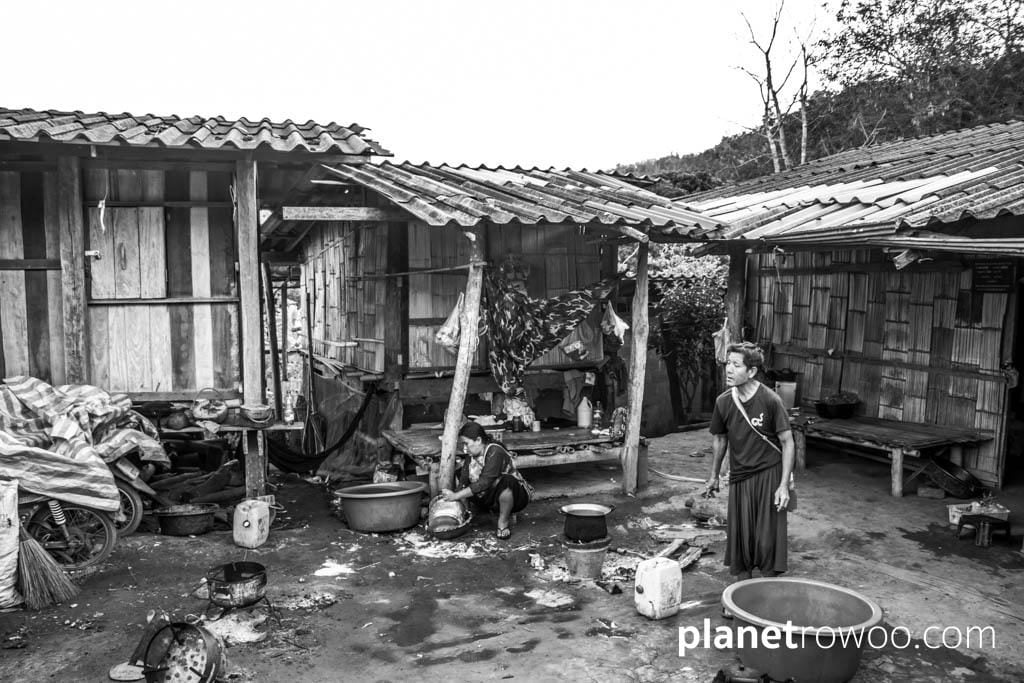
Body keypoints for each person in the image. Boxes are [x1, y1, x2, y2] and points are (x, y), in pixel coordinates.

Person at [704, 342, 794, 584]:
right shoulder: (723, 402)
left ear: (752, 371)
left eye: (736, 365)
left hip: (769, 474)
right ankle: (741, 593)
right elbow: (720, 440)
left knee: (767, 537)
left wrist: (783, 485)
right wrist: (713, 476)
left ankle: (766, 590)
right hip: (740, 477)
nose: (729, 370)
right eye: (727, 364)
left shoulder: (770, 400)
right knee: (741, 534)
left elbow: (787, 442)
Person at [442, 422, 533, 539]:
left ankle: (503, 522)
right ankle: (465, 514)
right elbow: (464, 480)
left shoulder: (495, 451)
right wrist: (455, 500)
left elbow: (485, 482)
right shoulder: (471, 455)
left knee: (507, 481)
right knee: (460, 473)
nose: (464, 449)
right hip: (489, 497)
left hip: (516, 497)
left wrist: (455, 496)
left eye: (466, 443)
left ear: (478, 440)